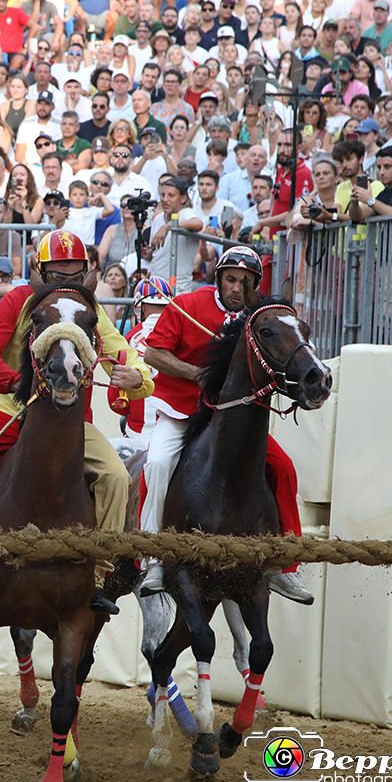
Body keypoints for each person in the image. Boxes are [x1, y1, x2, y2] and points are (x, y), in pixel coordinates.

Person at [0, 231, 153, 616]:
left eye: (75, 276)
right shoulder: (16, 300)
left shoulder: (91, 310)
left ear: (87, 275)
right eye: (58, 275)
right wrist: (17, 383)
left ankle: (100, 575)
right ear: (40, 273)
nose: (66, 284)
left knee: (116, 478)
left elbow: (123, 350)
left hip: (72, 428)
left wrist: (138, 377)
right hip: (10, 415)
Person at [137, 246, 312, 604]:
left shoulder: (262, 319)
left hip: (228, 419)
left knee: (284, 467)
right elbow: (153, 352)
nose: (237, 288)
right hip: (180, 411)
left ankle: (281, 565)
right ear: (218, 279)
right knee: (156, 463)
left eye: (245, 282)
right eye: (230, 279)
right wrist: (196, 374)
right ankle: (152, 557)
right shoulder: (186, 305)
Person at [112, 275, 176, 442]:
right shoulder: (183, 333)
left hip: (137, 435)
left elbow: (116, 400)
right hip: (174, 437)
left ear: (142, 306)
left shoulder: (130, 337)